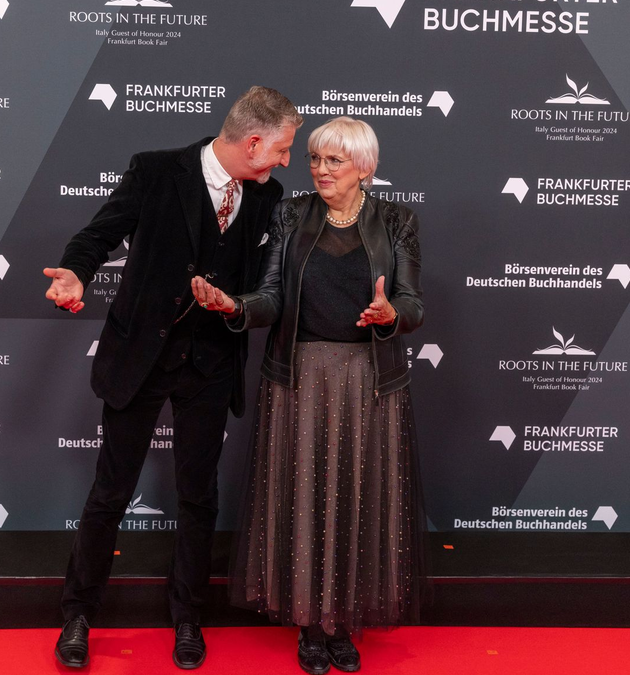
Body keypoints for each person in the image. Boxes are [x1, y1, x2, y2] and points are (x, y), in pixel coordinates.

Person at [44, 86, 303, 670]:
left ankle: (189, 616)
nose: (288, 161)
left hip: (210, 363)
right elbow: (96, 237)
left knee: (198, 495)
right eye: (284, 149)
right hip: (141, 358)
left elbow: (264, 286)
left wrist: (232, 304)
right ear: (254, 142)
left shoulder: (268, 196)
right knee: (110, 492)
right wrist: (75, 274)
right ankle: (78, 614)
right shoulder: (156, 171)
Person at [192, 116, 424, 674]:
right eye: (315, 159)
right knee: (303, 499)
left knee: (358, 502)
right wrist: (237, 306)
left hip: (368, 382)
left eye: (333, 161)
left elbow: (414, 304)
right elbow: (271, 296)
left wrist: (391, 314)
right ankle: (309, 627)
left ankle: (344, 624)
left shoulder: (397, 221)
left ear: (363, 167)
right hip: (298, 377)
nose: (320, 169)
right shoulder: (291, 212)